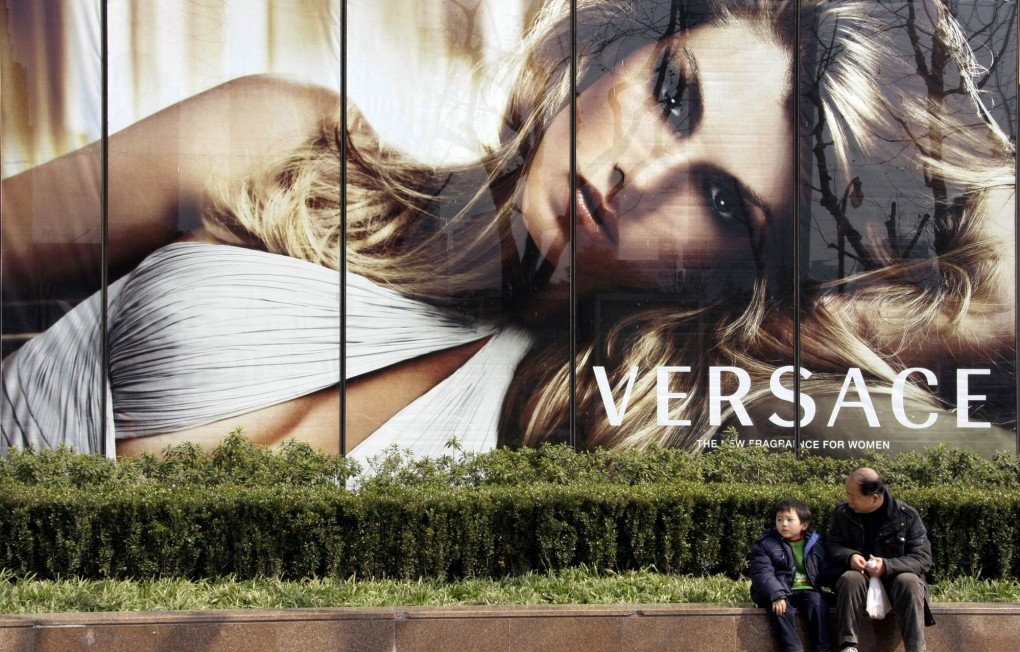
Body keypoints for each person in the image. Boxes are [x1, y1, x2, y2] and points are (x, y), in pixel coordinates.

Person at [1, 0, 1015, 460]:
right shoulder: (280, 137)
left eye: (720, 203)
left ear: (735, 270)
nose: (644, 174)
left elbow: (992, 326)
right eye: (672, 92)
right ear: (625, 43)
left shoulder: (597, 424)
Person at [825, 467, 937, 652]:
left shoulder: (907, 516)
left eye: (853, 496)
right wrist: (849, 556)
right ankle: (849, 648)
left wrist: (887, 566)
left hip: (895, 581)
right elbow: (831, 546)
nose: (849, 500)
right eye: (847, 494)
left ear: (874, 498)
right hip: (860, 580)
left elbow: (923, 558)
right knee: (850, 578)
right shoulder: (843, 514)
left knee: (909, 581)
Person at [748, 498, 836, 652]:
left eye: (789, 520)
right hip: (780, 590)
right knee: (781, 609)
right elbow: (762, 573)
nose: (783, 524)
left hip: (807, 589)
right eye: (779, 520)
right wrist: (776, 594)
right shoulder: (765, 544)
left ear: (804, 525)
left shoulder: (815, 544)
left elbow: (826, 570)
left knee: (817, 605)